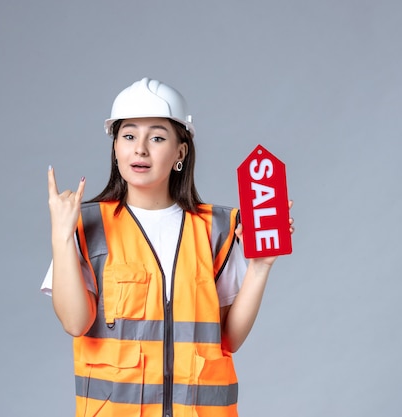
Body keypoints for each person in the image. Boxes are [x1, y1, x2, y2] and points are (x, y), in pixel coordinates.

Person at [41, 77, 294, 417]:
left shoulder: (217, 229)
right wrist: (61, 236)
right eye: (128, 136)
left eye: (157, 137)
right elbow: (75, 323)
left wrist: (260, 267)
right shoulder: (85, 226)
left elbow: (229, 339)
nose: (140, 149)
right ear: (115, 148)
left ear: (180, 151)